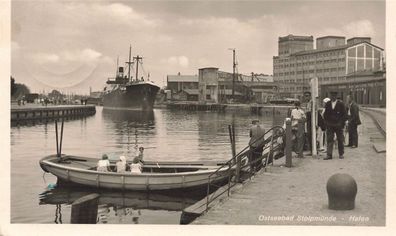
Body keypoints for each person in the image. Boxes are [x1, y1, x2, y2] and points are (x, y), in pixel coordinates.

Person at [323, 91, 347, 160]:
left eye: (334, 96)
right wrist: (327, 123)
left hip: (338, 125)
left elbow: (344, 115)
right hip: (330, 125)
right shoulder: (327, 104)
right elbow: (325, 115)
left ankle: (341, 154)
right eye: (332, 96)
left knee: (340, 139)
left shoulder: (341, 104)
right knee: (329, 139)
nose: (333, 97)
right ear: (330, 96)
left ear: (336, 96)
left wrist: (341, 123)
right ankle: (329, 155)